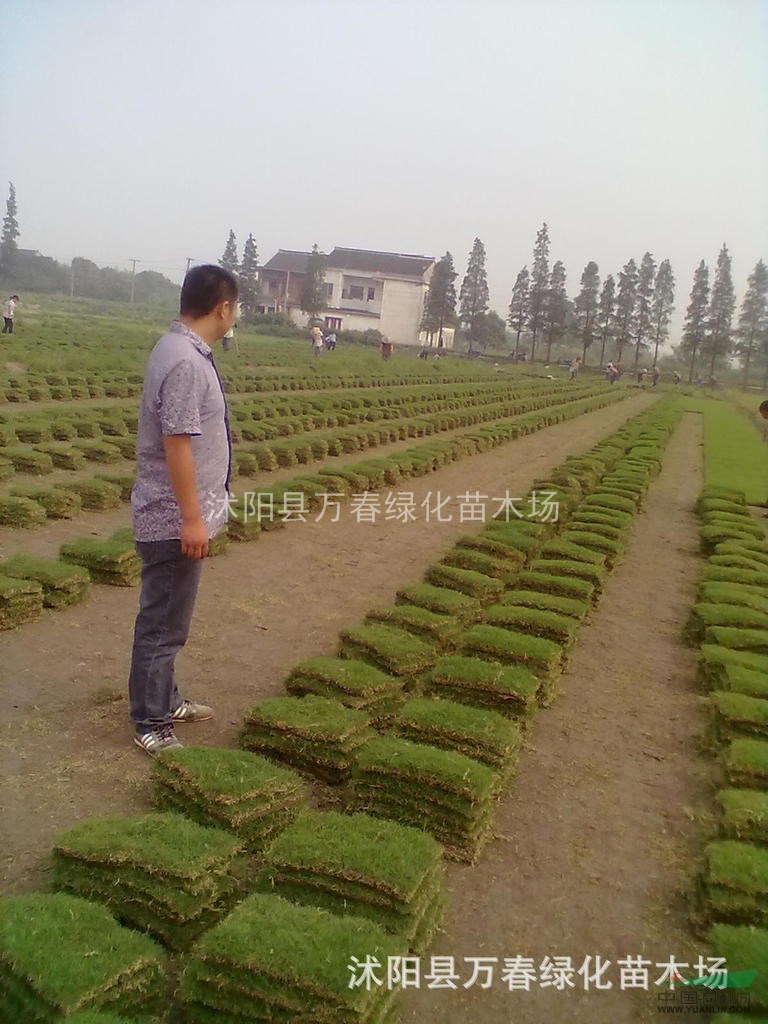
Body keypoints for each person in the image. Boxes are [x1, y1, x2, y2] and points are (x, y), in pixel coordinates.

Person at [128, 265, 238, 756]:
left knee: (171, 619)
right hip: (171, 517)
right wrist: (192, 518)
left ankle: (166, 700)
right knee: (163, 624)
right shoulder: (185, 362)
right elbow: (177, 444)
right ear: (224, 308)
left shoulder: (180, 349)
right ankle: (150, 722)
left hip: (175, 514)